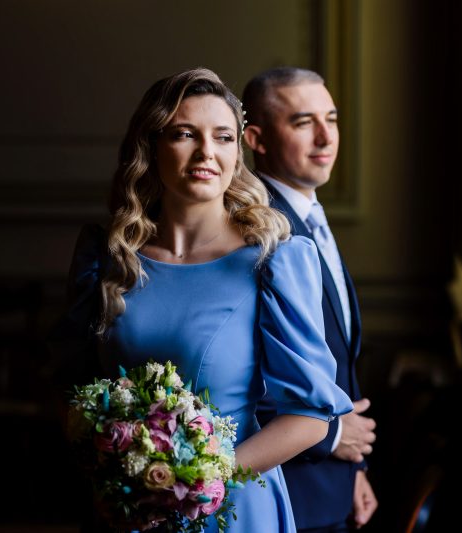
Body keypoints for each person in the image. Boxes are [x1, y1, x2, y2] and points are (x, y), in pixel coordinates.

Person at [48, 67, 353, 533]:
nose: (207, 152)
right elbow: (70, 391)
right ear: (152, 145)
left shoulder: (274, 260)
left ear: (238, 151)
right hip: (129, 511)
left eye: (224, 137)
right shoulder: (105, 258)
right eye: (185, 134)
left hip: (236, 510)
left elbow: (309, 418)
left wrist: (194, 482)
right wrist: (108, 478)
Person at [242, 66, 378, 532]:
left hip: (332, 487)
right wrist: (332, 436)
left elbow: (336, 358)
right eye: (303, 122)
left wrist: (353, 470)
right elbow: (236, 369)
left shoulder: (310, 214)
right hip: (287, 494)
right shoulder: (253, 230)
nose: (325, 137)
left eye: (331, 119)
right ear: (256, 139)